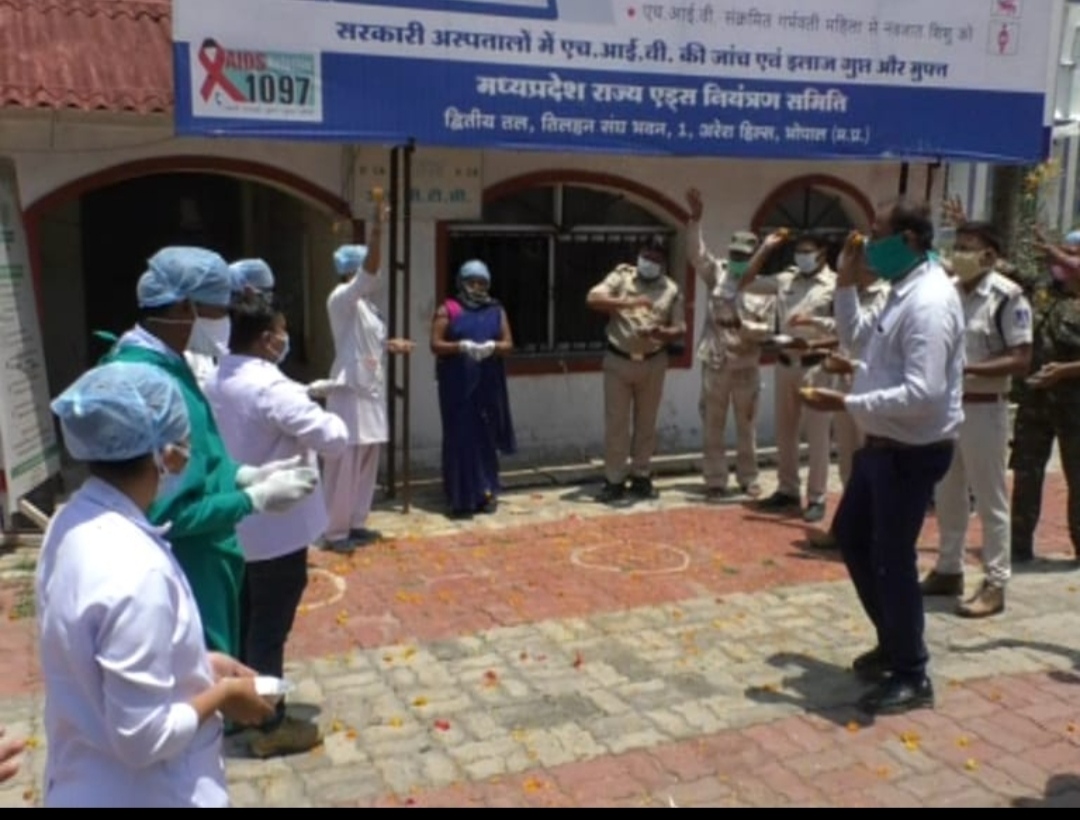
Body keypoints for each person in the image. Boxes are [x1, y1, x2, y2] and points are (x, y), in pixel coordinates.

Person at [38, 361, 274, 807]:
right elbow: (143, 738)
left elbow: (99, 653)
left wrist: (197, 664)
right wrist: (223, 695)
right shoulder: (135, 569)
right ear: (164, 456)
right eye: (184, 443)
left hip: (80, 781)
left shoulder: (69, 522)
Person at [98, 247, 319, 659]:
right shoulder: (151, 383)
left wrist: (243, 474)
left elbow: (195, 460)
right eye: (221, 311)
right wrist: (253, 499)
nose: (227, 323)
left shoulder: (171, 366)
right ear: (184, 306)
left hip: (206, 559)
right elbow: (168, 512)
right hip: (185, 564)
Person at [800, 199, 964, 715]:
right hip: (882, 447)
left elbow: (925, 392)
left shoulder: (931, 302)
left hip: (911, 452)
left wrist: (844, 402)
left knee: (893, 561)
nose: (868, 245)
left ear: (910, 240)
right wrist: (846, 282)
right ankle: (895, 642)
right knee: (851, 537)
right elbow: (856, 336)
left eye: (878, 236)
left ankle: (911, 672)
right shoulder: (900, 291)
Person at [205, 295, 348, 758]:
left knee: (244, 619)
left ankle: (236, 709)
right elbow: (333, 439)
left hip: (235, 518)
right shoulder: (271, 387)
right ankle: (270, 722)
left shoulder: (215, 375)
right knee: (268, 628)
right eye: (283, 331)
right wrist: (316, 406)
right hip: (276, 528)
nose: (286, 339)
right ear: (268, 339)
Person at [920, 222, 1032, 617]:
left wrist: (970, 369)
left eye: (969, 248)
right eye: (958, 246)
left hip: (986, 407)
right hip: (949, 409)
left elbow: (1021, 359)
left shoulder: (1007, 297)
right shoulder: (948, 292)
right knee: (948, 493)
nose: (960, 255)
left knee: (990, 498)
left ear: (989, 255)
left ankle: (996, 582)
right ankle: (949, 568)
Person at [310, 202, 415, 549]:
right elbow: (368, 273)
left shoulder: (367, 307)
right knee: (345, 461)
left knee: (368, 458)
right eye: (369, 269)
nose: (377, 274)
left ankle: (355, 521)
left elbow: (365, 341)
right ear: (352, 272)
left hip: (370, 392)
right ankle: (334, 530)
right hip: (349, 392)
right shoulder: (341, 297)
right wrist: (377, 230)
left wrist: (388, 344)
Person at [740, 231, 838, 523]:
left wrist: (811, 337)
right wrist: (765, 249)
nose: (802, 257)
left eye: (808, 252)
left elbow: (842, 326)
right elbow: (746, 282)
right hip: (785, 363)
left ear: (822, 254)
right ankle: (787, 489)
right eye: (799, 252)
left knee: (818, 436)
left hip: (816, 364)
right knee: (786, 432)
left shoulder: (834, 286)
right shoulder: (786, 279)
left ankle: (817, 496)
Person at [685, 188, 774, 499]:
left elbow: (768, 330)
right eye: (733, 254)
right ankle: (715, 479)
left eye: (742, 256)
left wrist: (744, 326)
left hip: (747, 365)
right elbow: (696, 255)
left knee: (746, 425)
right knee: (713, 423)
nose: (736, 260)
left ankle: (749, 478)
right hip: (716, 361)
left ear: (753, 257)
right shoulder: (718, 274)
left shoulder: (765, 286)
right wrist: (695, 221)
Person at [586, 237, 687, 503]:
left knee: (647, 424)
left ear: (663, 263)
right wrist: (629, 303)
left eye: (655, 259)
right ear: (638, 255)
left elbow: (680, 328)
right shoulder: (622, 277)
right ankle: (614, 480)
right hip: (618, 360)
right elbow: (593, 298)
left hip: (653, 362)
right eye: (646, 256)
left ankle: (641, 475)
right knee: (616, 424)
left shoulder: (671, 289)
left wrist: (661, 332)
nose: (649, 262)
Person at [807, 266, 891, 550]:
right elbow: (844, 329)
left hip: (872, 387)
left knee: (871, 460)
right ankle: (848, 527)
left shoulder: (888, 294)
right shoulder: (850, 293)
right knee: (847, 459)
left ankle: (873, 532)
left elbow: (866, 337)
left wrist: (853, 364)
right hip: (846, 382)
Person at [1009, 227, 1080, 563]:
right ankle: (1018, 547)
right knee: (1026, 474)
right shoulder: (1042, 290)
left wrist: (1065, 372)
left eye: (1070, 253)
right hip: (1035, 402)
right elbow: (999, 268)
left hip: (1074, 407)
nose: (1058, 259)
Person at [430, 260, 517, 518]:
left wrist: (492, 347)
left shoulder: (496, 309)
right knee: (460, 437)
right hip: (457, 384)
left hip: (488, 383)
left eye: (482, 282)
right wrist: (461, 347)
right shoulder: (449, 309)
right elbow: (435, 343)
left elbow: (508, 344)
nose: (477, 287)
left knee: (486, 437)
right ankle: (460, 496)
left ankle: (487, 491)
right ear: (461, 283)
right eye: (472, 282)